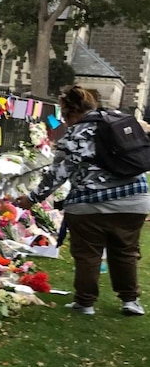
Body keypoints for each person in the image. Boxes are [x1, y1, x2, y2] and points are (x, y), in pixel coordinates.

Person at [16, 86, 150, 316]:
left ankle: (85, 303)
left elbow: (57, 174)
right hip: (135, 198)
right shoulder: (118, 122)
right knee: (126, 251)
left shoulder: (74, 134)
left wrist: (31, 199)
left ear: (69, 113)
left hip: (89, 203)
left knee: (88, 253)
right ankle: (130, 301)